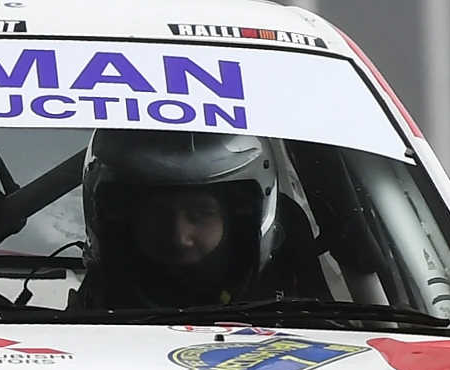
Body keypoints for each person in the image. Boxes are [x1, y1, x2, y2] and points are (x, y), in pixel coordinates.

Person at [75, 130, 324, 311]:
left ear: (237, 220)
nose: (179, 238)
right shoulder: (98, 301)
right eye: (157, 216)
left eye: (200, 215)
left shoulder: (294, 291)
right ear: (124, 223)